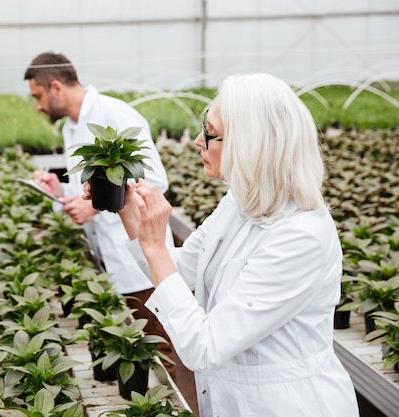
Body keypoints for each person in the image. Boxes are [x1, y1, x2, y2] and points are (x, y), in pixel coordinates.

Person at [111, 73, 361, 416]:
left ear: (251, 144)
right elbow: (182, 271)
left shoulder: (302, 236)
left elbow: (205, 347)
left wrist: (155, 244)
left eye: (210, 132)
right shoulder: (239, 203)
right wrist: (129, 212)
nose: (198, 140)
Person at [23, 52, 184, 384]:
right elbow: (91, 185)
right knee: (131, 354)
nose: (37, 106)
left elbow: (155, 179)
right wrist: (60, 187)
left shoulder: (113, 113)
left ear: (55, 87)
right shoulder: (72, 126)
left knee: (157, 351)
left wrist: (95, 205)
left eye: (37, 96)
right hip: (109, 259)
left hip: (139, 258)